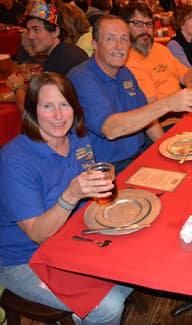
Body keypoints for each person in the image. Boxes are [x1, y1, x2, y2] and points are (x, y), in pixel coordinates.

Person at [0, 72, 133, 325]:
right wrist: (70, 195)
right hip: (25, 258)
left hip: (73, 238)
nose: (59, 116)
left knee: (138, 267)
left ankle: (83, 311)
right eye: (47, 106)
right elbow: (37, 234)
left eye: (65, 105)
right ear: (32, 110)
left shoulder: (78, 139)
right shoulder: (15, 160)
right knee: (110, 306)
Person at [67, 15, 192, 172]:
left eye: (124, 39)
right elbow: (110, 129)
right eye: (110, 39)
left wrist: (169, 151)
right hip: (107, 169)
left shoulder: (124, 72)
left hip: (139, 156)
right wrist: (168, 104)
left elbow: (147, 118)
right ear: (95, 44)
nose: (119, 46)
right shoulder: (81, 78)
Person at [120, 2, 192, 105]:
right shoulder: (126, 62)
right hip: (165, 117)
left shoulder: (160, 49)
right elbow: (151, 107)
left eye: (149, 24)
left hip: (183, 109)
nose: (145, 29)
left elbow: (186, 76)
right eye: (138, 23)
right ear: (124, 26)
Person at [6, 0, 89, 111]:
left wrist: (17, 86)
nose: (30, 36)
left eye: (36, 30)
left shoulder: (59, 62)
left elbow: (32, 111)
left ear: (56, 32)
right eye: (29, 30)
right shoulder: (68, 51)